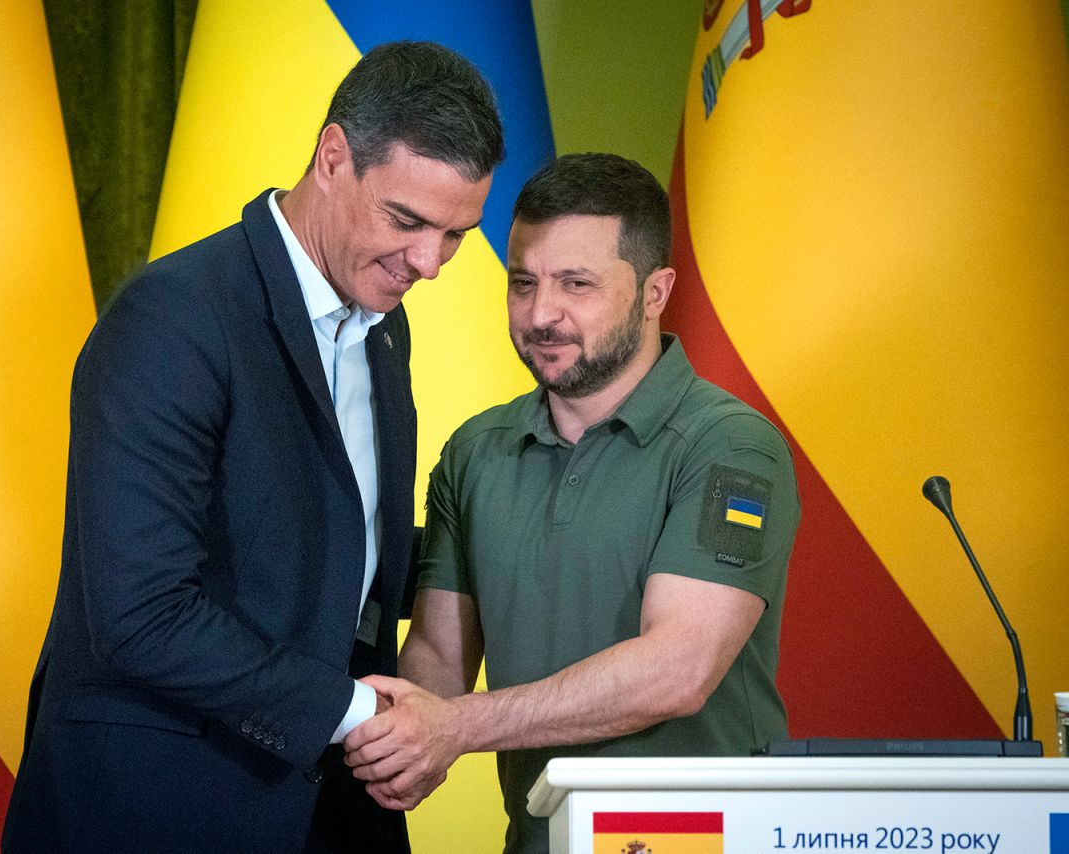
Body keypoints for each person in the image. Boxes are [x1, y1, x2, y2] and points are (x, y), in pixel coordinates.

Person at [1, 41, 502, 854]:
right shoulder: (174, 319)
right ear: (332, 157)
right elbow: (141, 613)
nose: (430, 263)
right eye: (407, 221)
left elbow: (336, 545)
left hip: (326, 808)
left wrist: (492, 561)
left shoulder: (383, 323)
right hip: (158, 807)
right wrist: (358, 715)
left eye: (456, 235)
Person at [343, 153, 801, 853]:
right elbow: (438, 655)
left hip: (708, 841)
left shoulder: (732, 446)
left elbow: (676, 670)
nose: (541, 314)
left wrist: (454, 728)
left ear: (656, 292)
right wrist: (389, 737)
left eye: (576, 285)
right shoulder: (475, 452)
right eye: (522, 283)